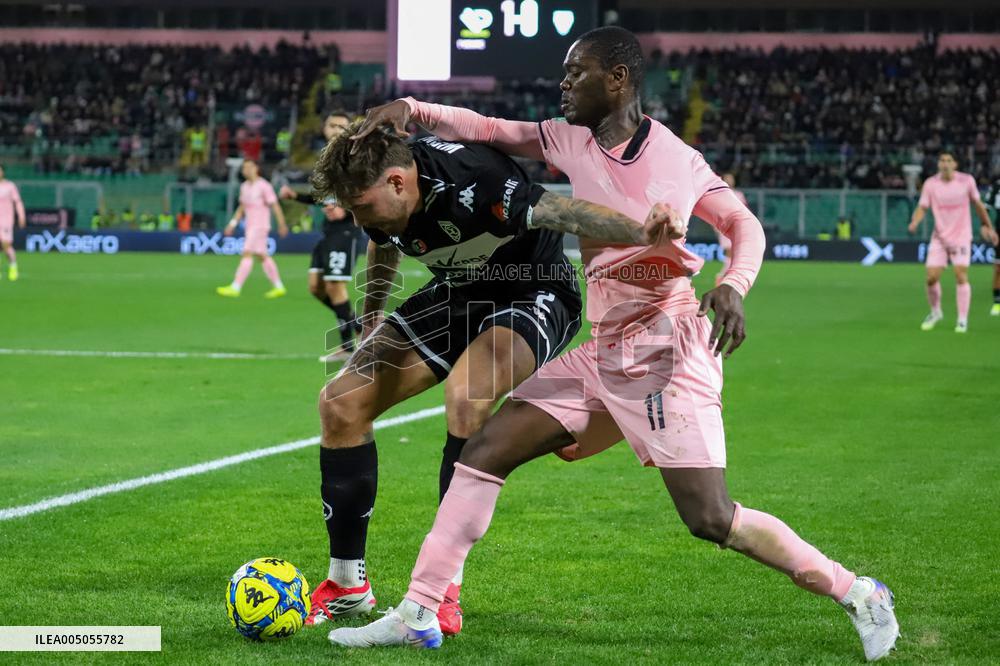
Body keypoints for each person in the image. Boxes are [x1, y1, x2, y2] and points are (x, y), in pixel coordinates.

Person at [331, 26, 899, 662]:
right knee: (485, 449)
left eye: (577, 74)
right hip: (602, 350)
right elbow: (488, 129)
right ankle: (421, 609)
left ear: (618, 79)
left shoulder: (677, 160)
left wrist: (734, 284)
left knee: (710, 518)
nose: (564, 85)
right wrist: (411, 110)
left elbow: (743, 223)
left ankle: (859, 591)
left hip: (667, 350)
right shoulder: (568, 139)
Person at [304, 120, 683, 636]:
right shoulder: (378, 194)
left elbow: (563, 211)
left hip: (536, 292)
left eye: (361, 206)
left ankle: (437, 595)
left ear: (398, 182)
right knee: (341, 403)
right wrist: (372, 317)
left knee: (468, 394)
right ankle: (348, 586)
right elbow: (384, 240)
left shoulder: (473, 183)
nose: (357, 217)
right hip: (460, 291)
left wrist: (644, 231)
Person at [280, 111, 362, 360]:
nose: (336, 129)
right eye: (332, 125)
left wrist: (347, 209)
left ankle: (347, 347)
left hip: (346, 230)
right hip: (328, 232)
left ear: (349, 130)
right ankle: (359, 327)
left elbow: (365, 189)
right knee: (316, 287)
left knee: (335, 286)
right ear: (324, 129)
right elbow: (324, 198)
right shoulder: (327, 159)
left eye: (341, 126)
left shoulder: (354, 157)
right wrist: (296, 197)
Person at [908, 152, 998, 332]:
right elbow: (923, 206)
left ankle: (962, 319)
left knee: (960, 274)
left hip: (961, 236)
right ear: (938, 164)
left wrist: (988, 226)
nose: (945, 163)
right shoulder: (931, 184)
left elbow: (978, 205)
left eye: (949, 160)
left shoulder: (966, 181)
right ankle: (935, 312)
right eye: (942, 160)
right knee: (931, 277)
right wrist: (915, 221)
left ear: (955, 164)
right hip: (939, 237)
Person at [216, 159, 289, 298]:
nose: (246, 170)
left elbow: (275, 206)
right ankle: (279, 286)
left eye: (249, 167)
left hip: (260, 226)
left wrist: (281, 224)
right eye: (244, 168)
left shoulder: (264, 186)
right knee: (262, 256)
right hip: (250, 226)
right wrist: (232, 224)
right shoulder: (244, 186)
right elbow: (241, 208)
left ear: (256, 168)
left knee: (247, 252)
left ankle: (236, 287)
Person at [715, 172, 749, 286]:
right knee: (730, 252)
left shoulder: (739, 195)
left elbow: (744, 211)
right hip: (725, 227)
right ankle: (722, 277)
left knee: (735, 253)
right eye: (727, 179)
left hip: (737, 228)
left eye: (731, 179)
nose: (729, 181)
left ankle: (725, 277)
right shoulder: (719, 195)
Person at [0, 165, 26, 281]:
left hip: (5, 220)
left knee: (6, 245)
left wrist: (21, 215)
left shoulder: (10, 186)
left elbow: (18, 202)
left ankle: (13, 266)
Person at [984, 175, 1000, 316]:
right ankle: (997, 303)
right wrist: (986, 227)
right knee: (998, 269)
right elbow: (986, 208)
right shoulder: (997, 186)